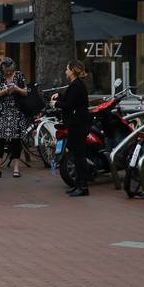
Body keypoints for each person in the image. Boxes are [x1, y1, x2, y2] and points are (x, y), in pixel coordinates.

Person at [51, 60, 91, 197]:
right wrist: (60, 95)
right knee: (76, 155)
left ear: (73, 71)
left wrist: (56, 103)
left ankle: (83, 186)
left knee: (79, 156)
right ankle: (78, 184)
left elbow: (69, 105)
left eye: (67, 69)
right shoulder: (76, 85)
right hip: (76, 124)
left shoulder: (76, 86)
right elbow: (71, 99)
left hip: (78, 124)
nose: (65, 71)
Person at [0, 57, 29, 178]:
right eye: (6, 71)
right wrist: (6, 90)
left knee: (16, 140)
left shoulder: (19, 75)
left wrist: (17, 88)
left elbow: (26, 92)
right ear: (2, 68)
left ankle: (16, 168)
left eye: (10, 71)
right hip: (2, 110)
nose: (8, 73)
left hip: (16, 110)